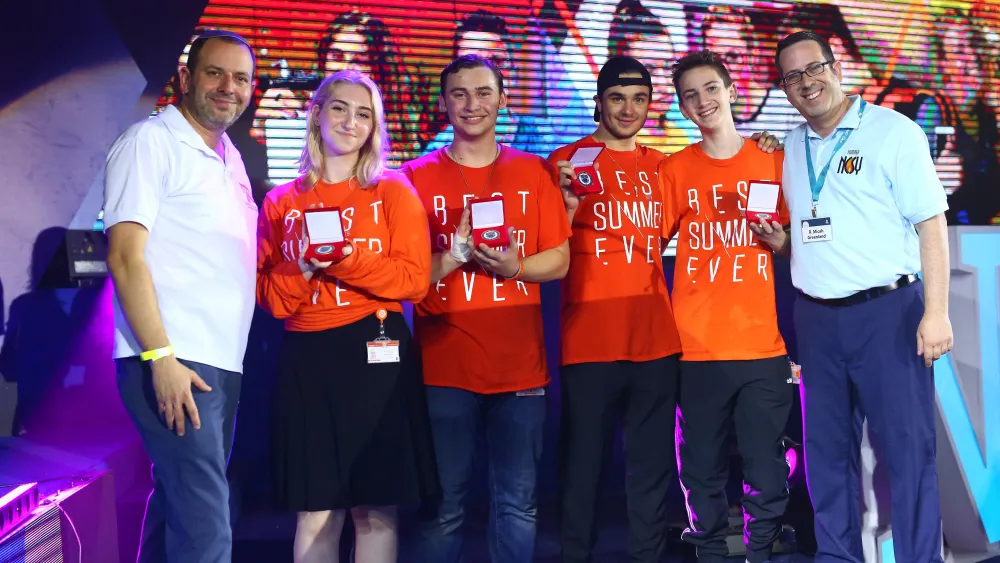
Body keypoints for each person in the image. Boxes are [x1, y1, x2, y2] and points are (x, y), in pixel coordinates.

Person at [752, 31, 954, 563]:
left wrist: (937, 312)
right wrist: (784, 243)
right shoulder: (790, 146)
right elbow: (821, 228)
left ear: (834, 66)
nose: (806, 83)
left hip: (888, 314)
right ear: (785, 88)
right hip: (816, 320)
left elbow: (932, 223)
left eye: (813, 68)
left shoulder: (894, 132)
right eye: (792, 76)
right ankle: (837, 557)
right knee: (825, 456)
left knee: (909, 454)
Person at [255, 69, 439, 563]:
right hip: (308, 359)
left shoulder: (393, 192)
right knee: (316, 509)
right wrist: (305, 266)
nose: (351, 122)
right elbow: (272, 300)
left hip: (375, 353)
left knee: (375, 508)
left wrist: (345, 257)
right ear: (316, 114)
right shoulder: (280, 202)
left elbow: (414, 282)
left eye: (364, 114)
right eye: (340, 108)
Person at [401, 54, 572, 563]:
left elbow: (560, 261)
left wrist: (514, 268)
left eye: (482, 93)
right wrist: (453, 256)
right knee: (442, 508)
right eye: (459, 94)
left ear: (502, 99)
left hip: (521, 372)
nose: (472, 105)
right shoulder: (413, 177)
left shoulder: (531, 171)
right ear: (443, 103)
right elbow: (409, 278)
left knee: (518, 508)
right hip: (443, 369)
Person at [103, 30, 258, 563]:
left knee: (179, 508)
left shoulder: (229, 157)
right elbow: (125, 257)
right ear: (186, 78)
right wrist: (160, 356)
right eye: (215, 73)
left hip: (219, 361)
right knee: (206, 524)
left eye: (240, 79)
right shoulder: (151, 141)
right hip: (174, 357)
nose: (228, 88)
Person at [547, 55, 683, 563]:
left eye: (640, 98)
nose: (629, 109)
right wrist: (564, 208)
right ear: (599, 102)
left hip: (655, 340)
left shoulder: (662, 167)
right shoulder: (565, 161)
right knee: (582, 470)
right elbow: (545, 243)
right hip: (589, 341)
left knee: (650, 472)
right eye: (618, 98)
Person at [660, 49, 793, 563]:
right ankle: (710, 554)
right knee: (701, 472)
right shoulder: (675, 171)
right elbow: (649, 244)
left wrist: (781, 242)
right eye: (690, 95)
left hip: (762, 348)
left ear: (731, 91)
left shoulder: (774, 159)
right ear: (682, 108)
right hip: (695, 351)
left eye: (710, 88)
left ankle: (762, 553)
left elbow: (798, 245)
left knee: (766, 469)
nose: (702, 100)